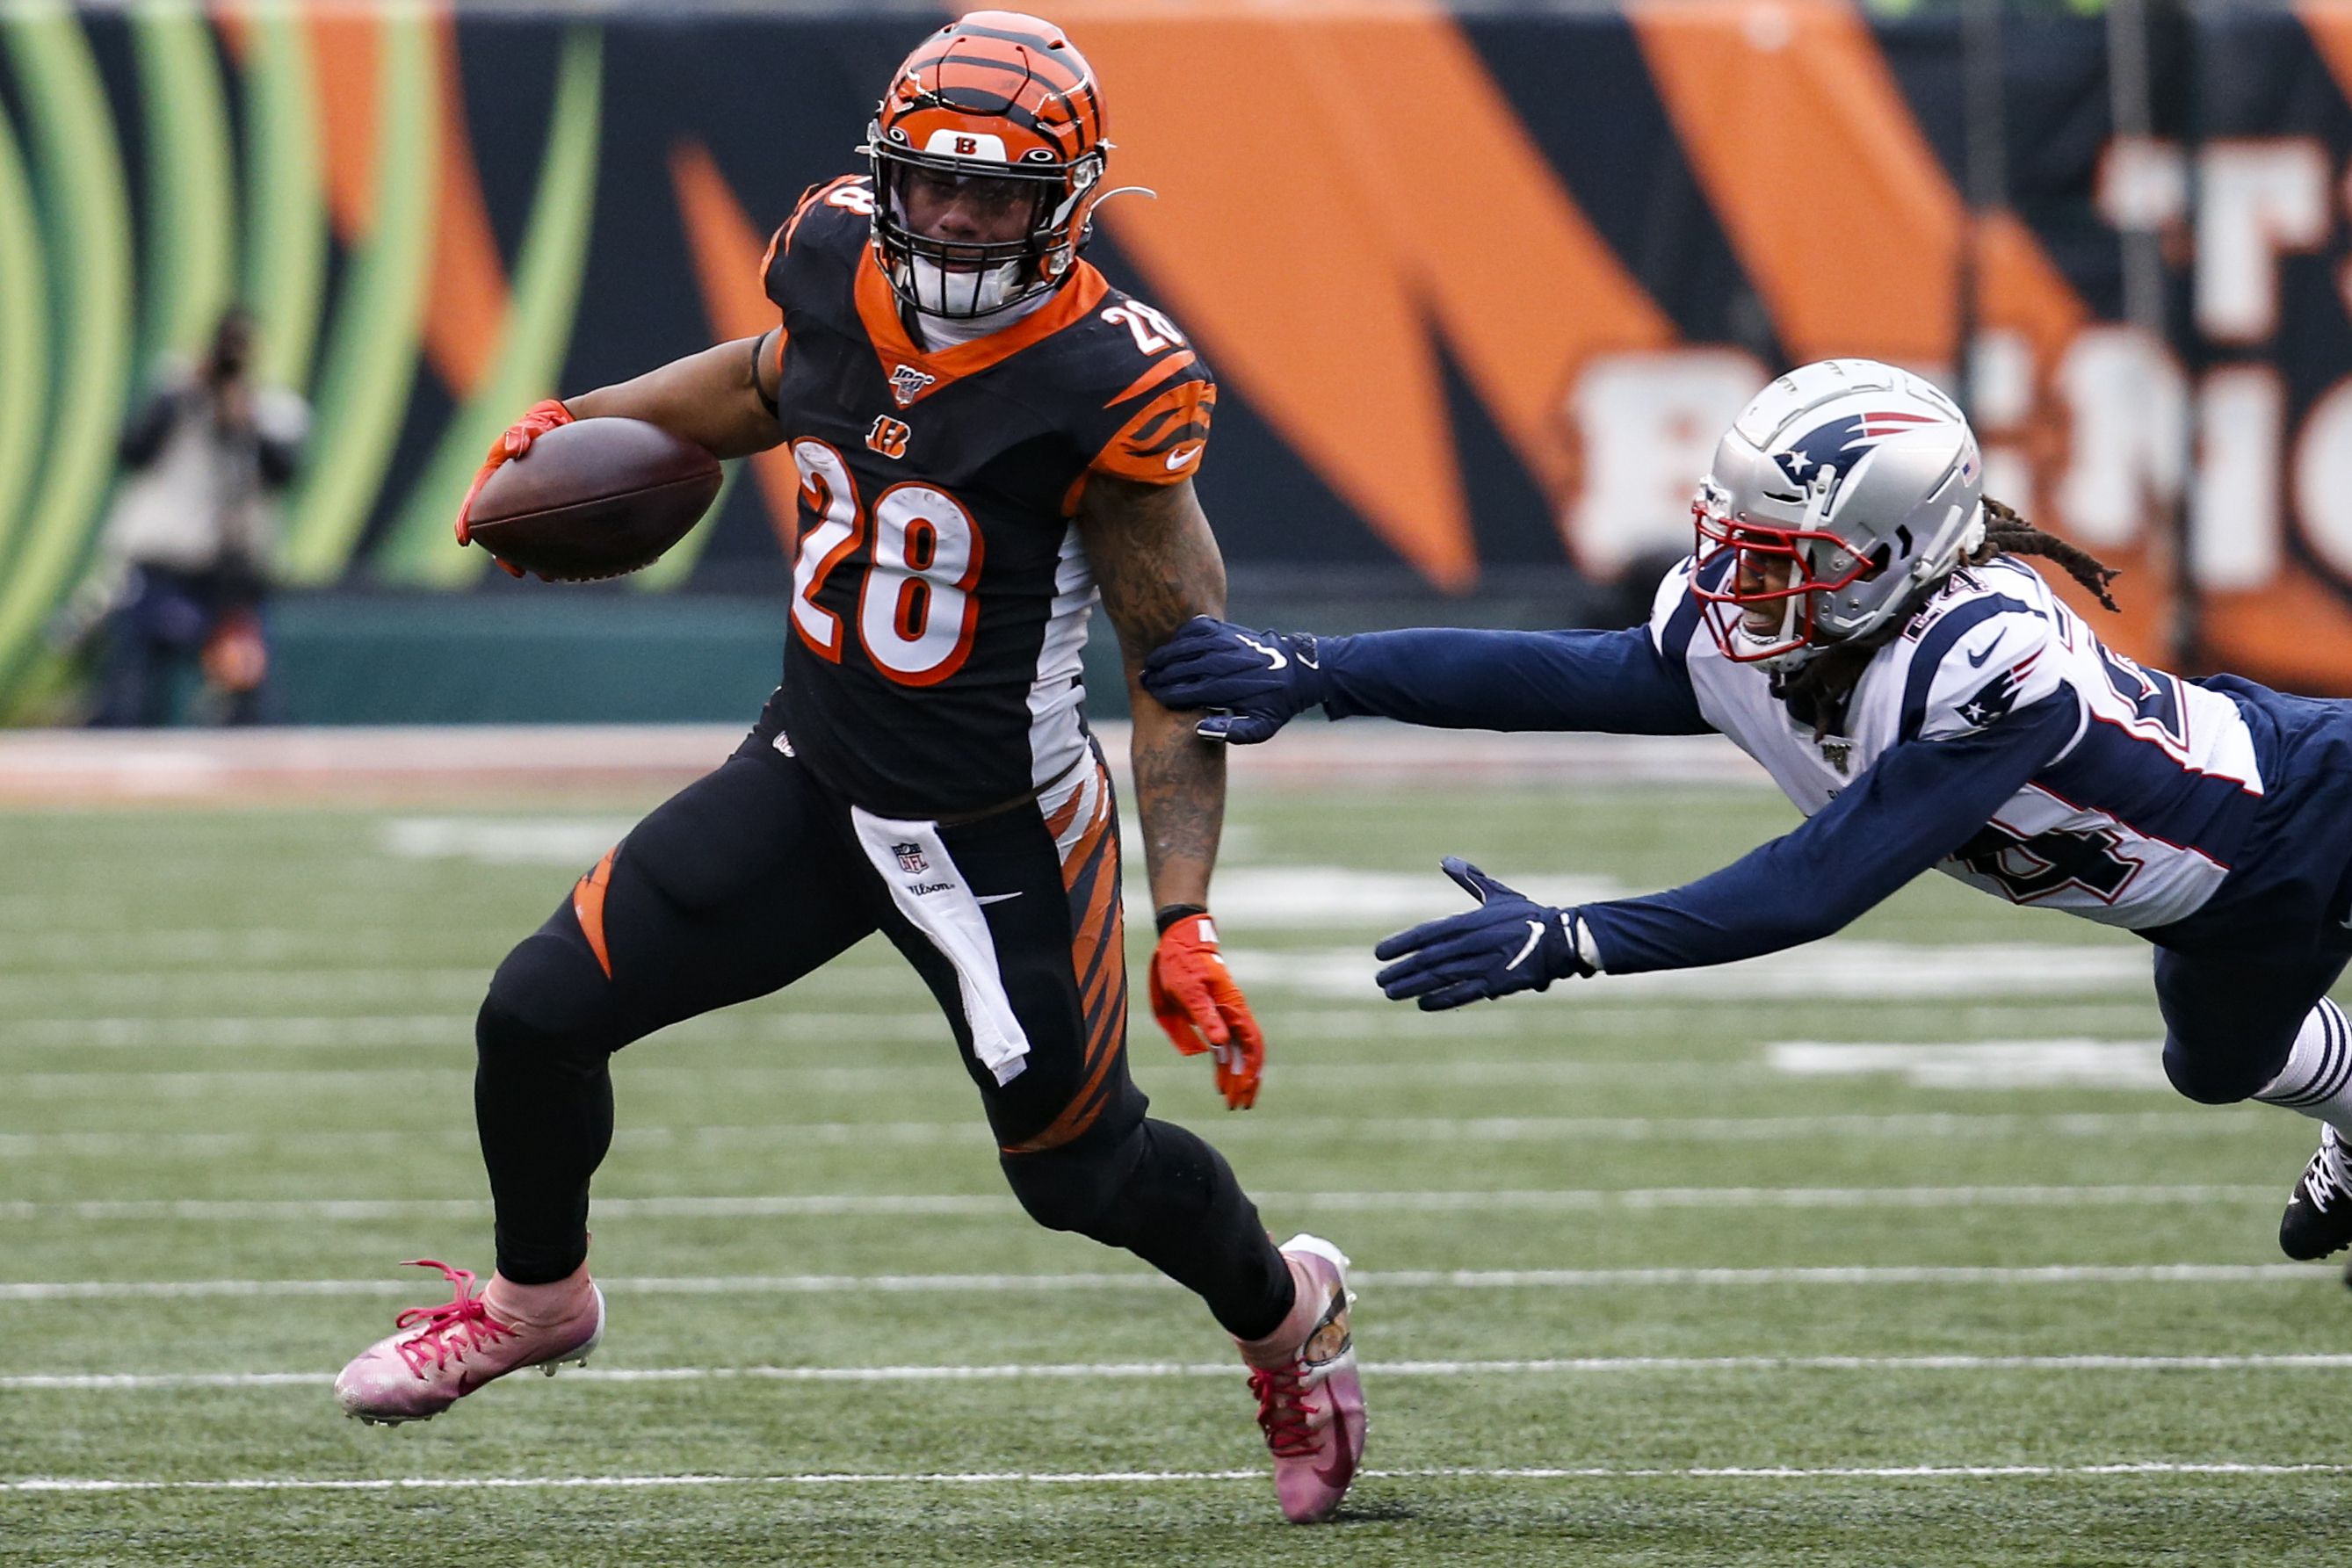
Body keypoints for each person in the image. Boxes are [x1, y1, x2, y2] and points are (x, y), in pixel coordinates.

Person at [331, 12, 1364, 1524]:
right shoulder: (834, 255)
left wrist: (1187, 909)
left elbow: (1178, 666)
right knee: (537, 1012)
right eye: (929, 186)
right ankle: (537, 1300)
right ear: (882, 177)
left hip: (996, 824)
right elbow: (766, 380)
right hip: (814, 772)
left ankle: (1287, 1312)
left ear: (1065, 202)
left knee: (1077, 1178)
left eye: (997, 194)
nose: (951, 218)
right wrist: (595, 416)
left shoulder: (1105, 379)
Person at [1143, 356, 2352, 1266]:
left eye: (1786, 557)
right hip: (2217, 908)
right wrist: (1318, 670)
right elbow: (1572, 677)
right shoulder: (1791, 628)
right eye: (1740, 543)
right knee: (2219, 1063)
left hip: (2320, 811)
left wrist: (1577, 939)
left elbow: (1819, 880)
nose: (1742, 582)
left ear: (1899, 552)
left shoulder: (1988, 655)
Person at [83, 307, 306, 726]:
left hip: (231, 569)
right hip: (165, 561)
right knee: (135, 676)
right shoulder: (177, 396)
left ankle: (249, 754)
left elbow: (284, 474)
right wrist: (183, 395)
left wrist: (247, 419)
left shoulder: (267, 408)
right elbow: (133, 451)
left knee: (246, 678)